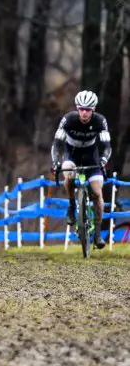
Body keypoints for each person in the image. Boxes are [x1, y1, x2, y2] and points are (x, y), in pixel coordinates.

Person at [51, 90, 111, 249]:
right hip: (72, 155)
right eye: (82, 109)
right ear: (77, 108)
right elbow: (57, 144)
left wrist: (104, 160)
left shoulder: (100, 121)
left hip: (92, 158)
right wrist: (56, 161)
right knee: (67, 171)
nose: (84, 113)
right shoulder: (68, 120)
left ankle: (98, 234)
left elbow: (106, 146)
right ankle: (72, 205)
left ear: (94, 110)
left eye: (88, 110)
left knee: (97, 194)